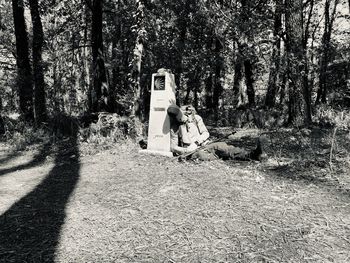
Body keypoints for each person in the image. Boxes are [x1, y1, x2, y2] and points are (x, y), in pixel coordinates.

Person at [167, 105, 265, 161]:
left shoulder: (196, 118)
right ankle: (219, 156)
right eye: (179, 120)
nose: (183, 121)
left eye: (183, 117)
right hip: (193, 152)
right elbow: (173, 147)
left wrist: (196, 143)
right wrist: (186, 150)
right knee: (201, 156)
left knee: (222, 146)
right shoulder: (174, 128)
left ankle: (252, 154)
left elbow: (206, 133)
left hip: (204, 144)